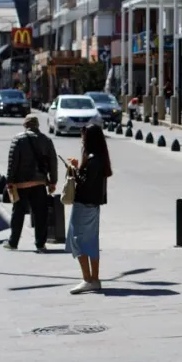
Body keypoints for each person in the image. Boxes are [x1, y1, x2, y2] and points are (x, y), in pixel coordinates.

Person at [65, 125, 112, 294]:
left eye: (83, 137)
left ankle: (87, 279)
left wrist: (74, 170)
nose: (82, 140)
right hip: (93, 205)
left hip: (84, 205)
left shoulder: (93, 160)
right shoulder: (100, 158)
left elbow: (85, 185)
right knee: (91, 241)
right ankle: (94, 279)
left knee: (77, 240)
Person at [4, 114, 58, 252]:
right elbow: (53, 162)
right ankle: (40, 244)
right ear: (37, 125)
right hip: (39, 183)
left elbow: (12, 162)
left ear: (25, 125)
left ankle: (13, 242)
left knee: (18, 213)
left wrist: (10, 180)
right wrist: (53, 181)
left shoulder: (18, 139)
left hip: (21, 184)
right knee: (41, 215)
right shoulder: (46, 140)